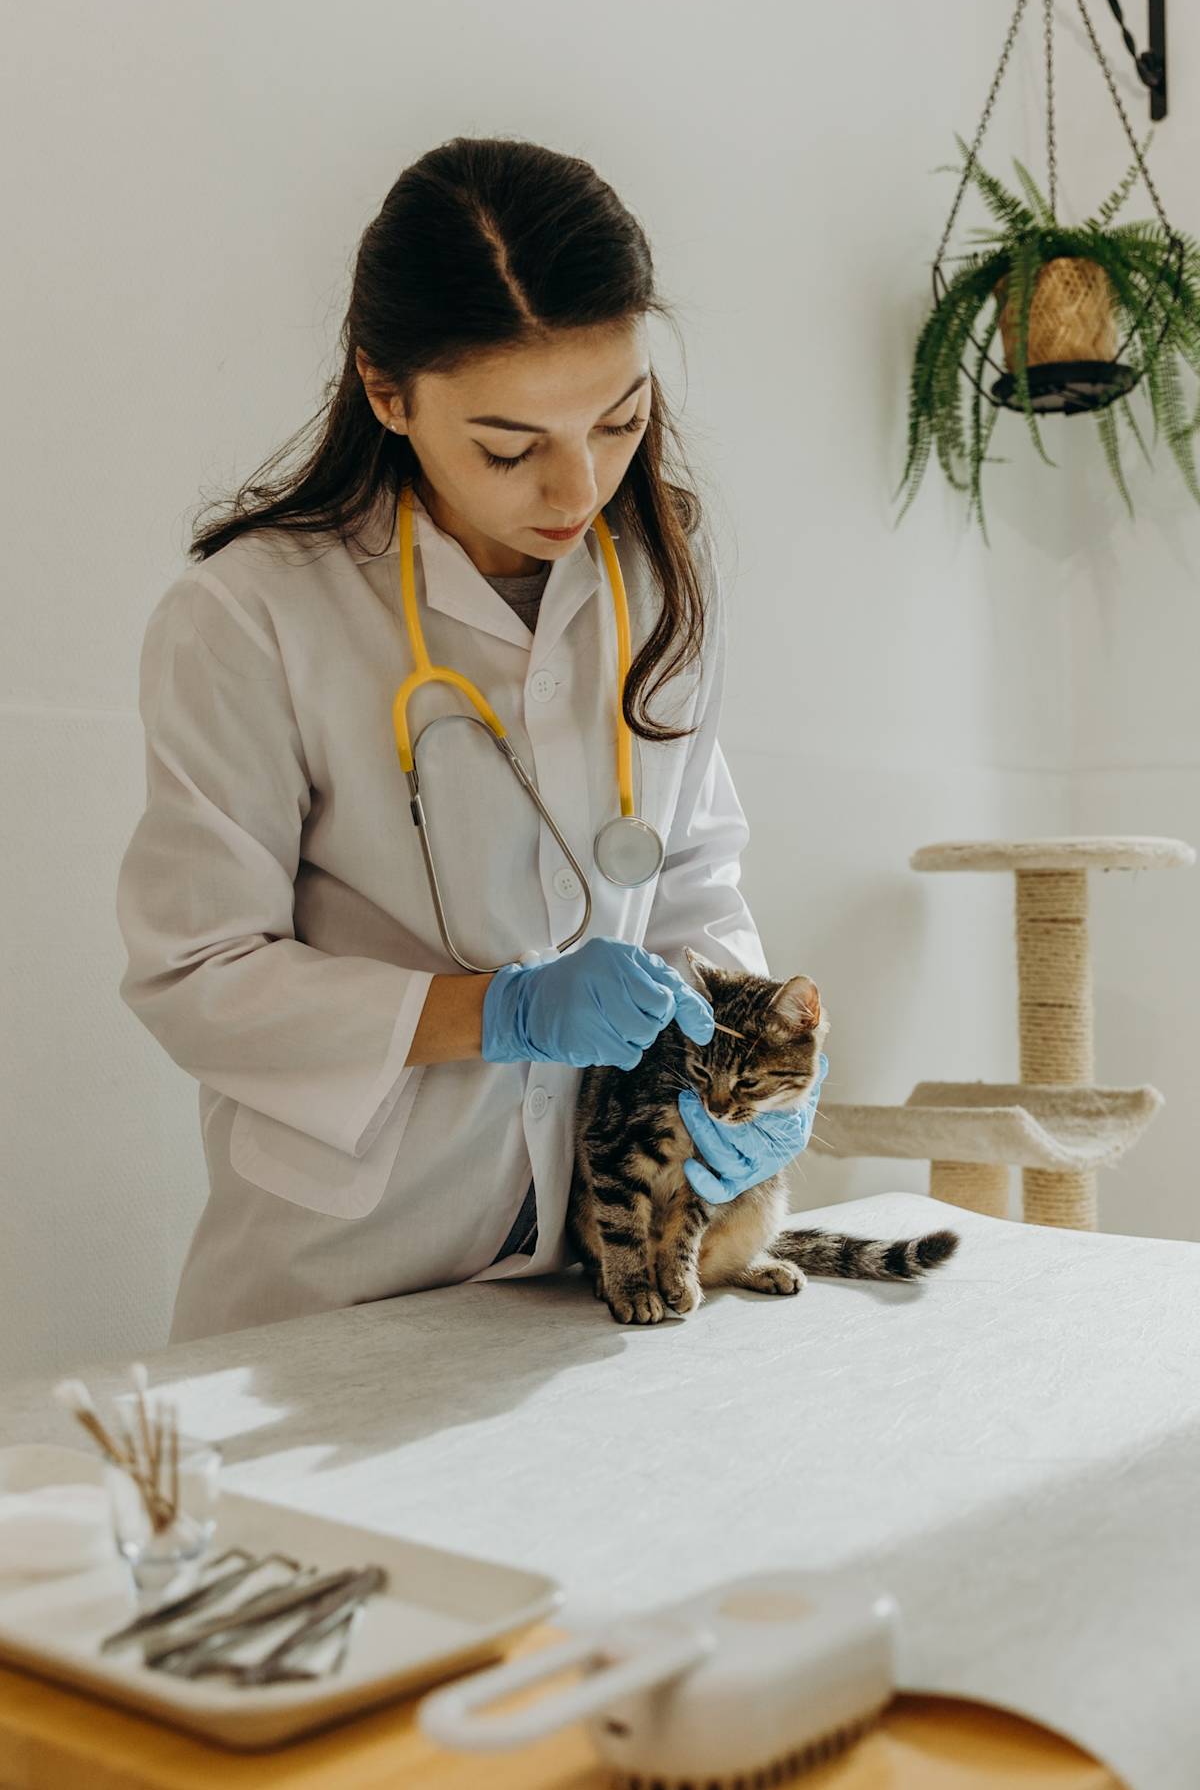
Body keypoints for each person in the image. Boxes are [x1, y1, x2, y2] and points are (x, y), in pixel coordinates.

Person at [116, 135, 822, 1344]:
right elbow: (195, 978)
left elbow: (694, 879)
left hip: (587, 1279)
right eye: (510, 447)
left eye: (619, 421)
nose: (578, 487)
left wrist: (736, 1065)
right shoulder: (251, 616)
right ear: (386, 392)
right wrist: (496, 1012)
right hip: (342, 1278)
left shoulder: (651, 589)